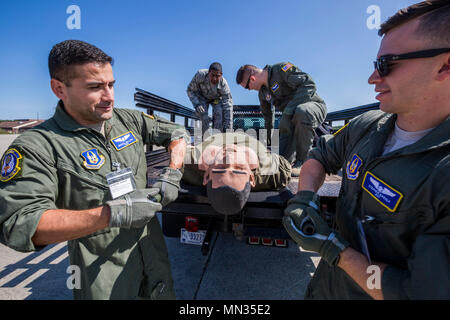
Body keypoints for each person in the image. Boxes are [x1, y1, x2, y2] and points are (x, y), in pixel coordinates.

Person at [283, 0, 450, 299]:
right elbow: (320, 157)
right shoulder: (368, 125)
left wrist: (335, 250)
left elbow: (414, 292)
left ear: (445, 65)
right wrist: (305, 197)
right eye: (375, 65)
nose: (373, 78)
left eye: (387, 64)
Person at [0, 40, 190, 300]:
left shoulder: (127, 120)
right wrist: (112, 214)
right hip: (104, 277)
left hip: (154, 260)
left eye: (111, 84)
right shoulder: (38, 146)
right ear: (59, 89)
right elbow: (20, 224)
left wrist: (173, 172)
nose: (109, 96)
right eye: (95, 87)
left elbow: (177, 133)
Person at [236, 62, 327, 177]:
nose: (249, 90)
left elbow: (309, 84)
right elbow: (268, 118)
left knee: (301, 111)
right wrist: (267, 142)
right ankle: (289, 162)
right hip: (292, 121)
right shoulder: (263, 93)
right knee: (279, 164)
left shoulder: (280, 70)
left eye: (247, 87)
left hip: (313, 106)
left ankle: (303, 162)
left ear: (252, 79)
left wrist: (288, 111)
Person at [182, 132, 291, 215]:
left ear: (206, 176)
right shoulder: (272, 173)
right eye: (239, 168)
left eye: (220, 168)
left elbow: (180, 148)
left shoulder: (190, 163)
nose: (229, 158)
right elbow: (284, 165)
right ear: (251, 178)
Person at [187, 62, 233, 135]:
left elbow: (228, 107)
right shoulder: (200, 75)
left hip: (216, 99)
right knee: (202, 114)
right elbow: (190, 90)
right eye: (212, 75)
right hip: (202, 97)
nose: (214, 78)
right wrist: (197, 104)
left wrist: (229, 129)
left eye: (217, 76)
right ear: (209, 73)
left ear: (221, 75)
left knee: (219, 113)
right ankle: (205, 138)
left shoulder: (224, 84)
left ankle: (217, 138)